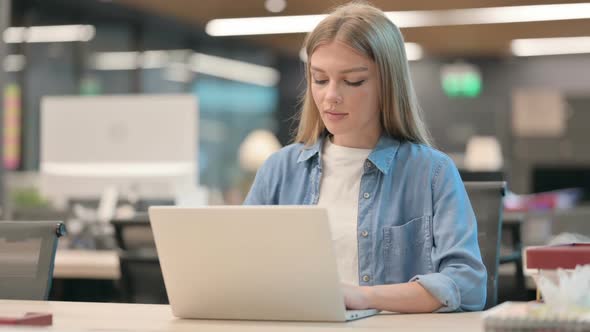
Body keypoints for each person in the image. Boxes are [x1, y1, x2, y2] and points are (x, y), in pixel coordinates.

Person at [244, 1, 486, 313]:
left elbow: (468, 286)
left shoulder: (432, 172)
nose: (331, 95)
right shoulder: (279, 170)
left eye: (353, 81)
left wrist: (366, 297)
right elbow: (244, 269)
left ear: (388, 84)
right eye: (320, 79)